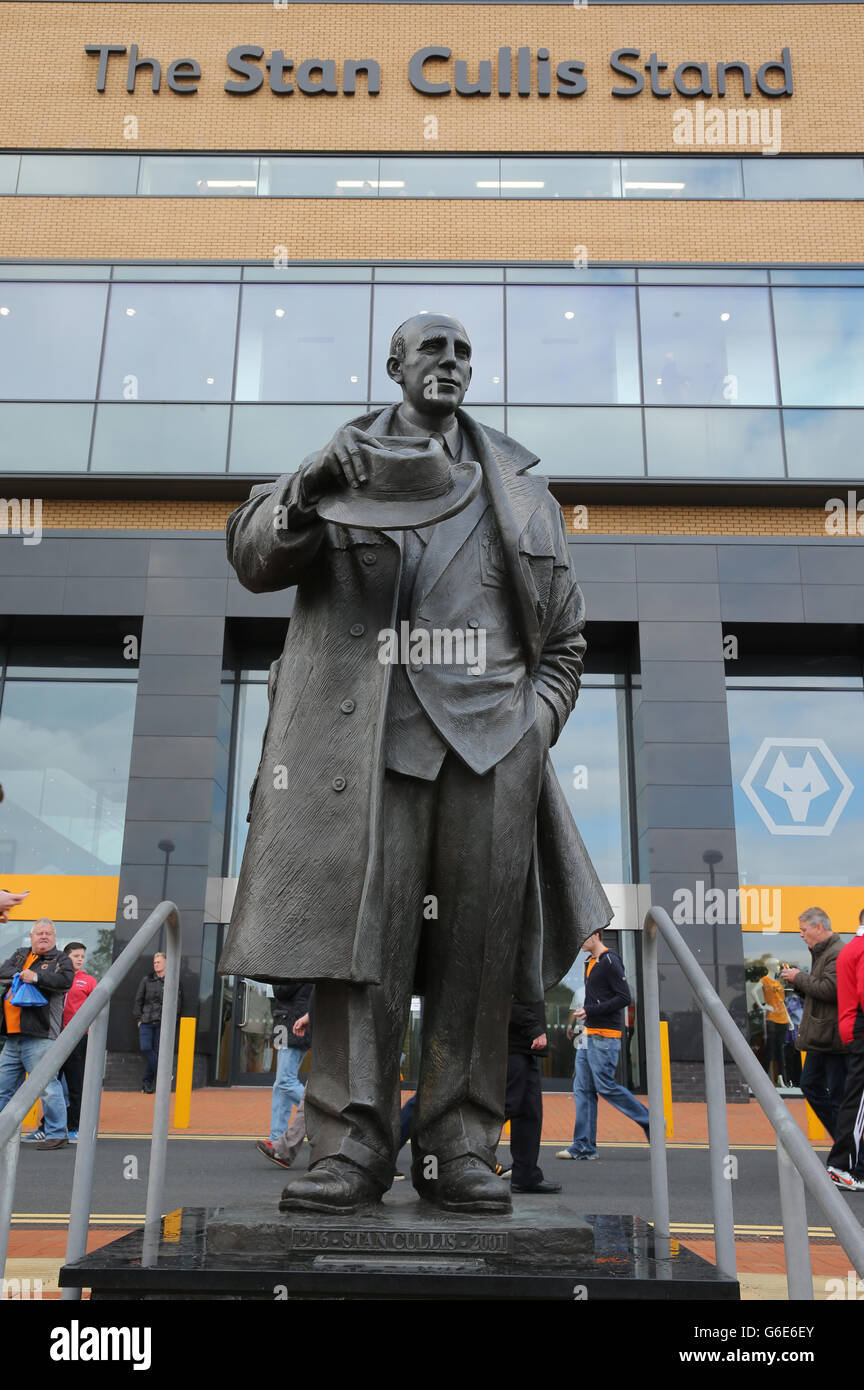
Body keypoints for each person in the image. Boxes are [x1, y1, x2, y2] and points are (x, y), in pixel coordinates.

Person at [219, 312, 611, 1215]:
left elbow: (566, 640)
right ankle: (351, 1146)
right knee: (363, 952)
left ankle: (459, 1146)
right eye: (433, 348)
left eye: (464, 352)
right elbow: (250, 555)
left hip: (491, 752)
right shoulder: (338, 467)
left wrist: (533, 729)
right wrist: (309, 485)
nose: (451, 362)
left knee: (476, 957)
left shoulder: (524, 493)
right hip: (371, 748)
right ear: (394, 364)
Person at [556, 929, 650, 1161]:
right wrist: (587, 1014)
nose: (579, 942)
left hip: (604, 1037)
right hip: (589, 1035)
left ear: (595, 935)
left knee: (605, 1086)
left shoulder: (610, 960)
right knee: (582, 1089)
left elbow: (624, 997)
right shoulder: (590, 962)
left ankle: (651, 1122)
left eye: (582, 936)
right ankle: (584, 1147)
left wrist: (590, 1010)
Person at [0, 919, 74, 1149]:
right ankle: (4, 1131)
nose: (43, 936)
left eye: (48, 933)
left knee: (48, 1087)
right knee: (2, 1087)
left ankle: (56, 1133)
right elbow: (3, 972)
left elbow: (65, 981)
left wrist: (38, 978)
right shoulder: (21, 954)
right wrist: (26, 973)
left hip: (41, 1035)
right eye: (39, 933)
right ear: (31, 936)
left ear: (54, 937)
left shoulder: (61, 959)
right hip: (12, 1037)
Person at [781, 908, 848, 1137]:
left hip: (834, 1038)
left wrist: (798, 978)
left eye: (804, 929)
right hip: (822, 1037)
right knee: (810, 1085)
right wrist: (800, 983)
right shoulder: (821, 952)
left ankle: (850, 1154)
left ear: (818, 927)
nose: (801, 934)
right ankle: (845, 1146)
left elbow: (830, 990)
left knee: (838, 1097)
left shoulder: (837, 952)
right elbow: (818, 992)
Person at [503, 1000, 561, 1194]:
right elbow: (505, 995)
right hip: (512, 1045)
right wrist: (533, 1027)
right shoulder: (519, 968)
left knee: (530, 1113)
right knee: (502, 1108)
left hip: (524, 1047)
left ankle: (526, 1176)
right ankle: (460, 1159)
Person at [826, 915, 864, 1190]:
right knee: (857, 1098)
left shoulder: (851, 947)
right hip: (860, 1027)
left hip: (851, 1026)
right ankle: (841, 1166)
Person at [256, 986, 313, 1167]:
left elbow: (282, 991)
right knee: (279, 1085)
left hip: (292, 1023)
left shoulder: (297, 963)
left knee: (284, 1081)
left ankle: (320, 1110)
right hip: (288, 1023)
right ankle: (277, 1139)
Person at [58, 942, 97, 1143]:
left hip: (78, 1039)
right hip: (55, 1037)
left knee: (75, 1084)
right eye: (76, 956)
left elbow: (98, 1011)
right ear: (66, 958)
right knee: (52, 1085)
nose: (80, 959)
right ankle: (47, 1127)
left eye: (82, 956)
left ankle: (74, 1128)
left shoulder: (89, 981)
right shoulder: (57, 979)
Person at [133, 952, 183, 1094]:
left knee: (157, 1052)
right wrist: (138, 1019)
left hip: (163, 1023)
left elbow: (177, 1004)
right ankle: (166, 1076)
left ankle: (147, 1084)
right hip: (146, 1021)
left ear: (166, 963)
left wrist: (173, 1021)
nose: (156, 964)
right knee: (146, 1048)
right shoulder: (146, 980)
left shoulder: (172, 981)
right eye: (155, 962)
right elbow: (138, 1000)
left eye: (159, 962)